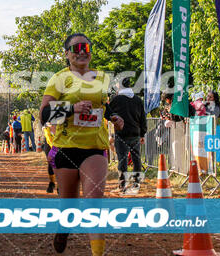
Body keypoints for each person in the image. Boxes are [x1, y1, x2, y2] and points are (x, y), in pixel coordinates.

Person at [39, 33, 124, 255]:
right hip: (65, 148)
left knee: (94, 205)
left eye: (86, 47)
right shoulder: (59, 78)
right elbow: (44, 115)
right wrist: (71, 109)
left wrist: (114, 117)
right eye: (76, 48)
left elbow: (104, 105)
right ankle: (63, 227)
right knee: (69, 205)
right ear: (67, 54)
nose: (82, 52)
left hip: (95, 148)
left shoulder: (102, 77)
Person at [109, 77, 146, 193]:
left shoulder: (116, 99)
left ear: (120, 86)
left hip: (122, 134)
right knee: (136, 159)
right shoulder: (138, 100)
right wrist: (143, 133)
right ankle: (136, 183)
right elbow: (142, 118)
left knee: (122, 160)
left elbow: (109, 114)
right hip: (135, 133)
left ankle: (122, 185)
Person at [41, 122, 57, 193]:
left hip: (61, 141)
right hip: (49, 141)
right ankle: (52, 183)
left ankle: (60, 185)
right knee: (50, 163)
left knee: (60, 163)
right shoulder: (47, 126)